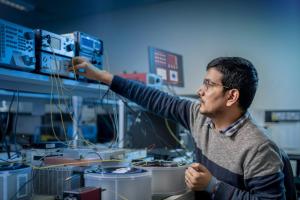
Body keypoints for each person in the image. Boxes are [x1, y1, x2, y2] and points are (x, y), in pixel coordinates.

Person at [70, 56, 285, 199]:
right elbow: (153, 97)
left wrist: (214, 186)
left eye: (209, 84)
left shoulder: (258, 147)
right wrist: (99, 75)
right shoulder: (198, 117)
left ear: (232, 96)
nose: (200, 90)